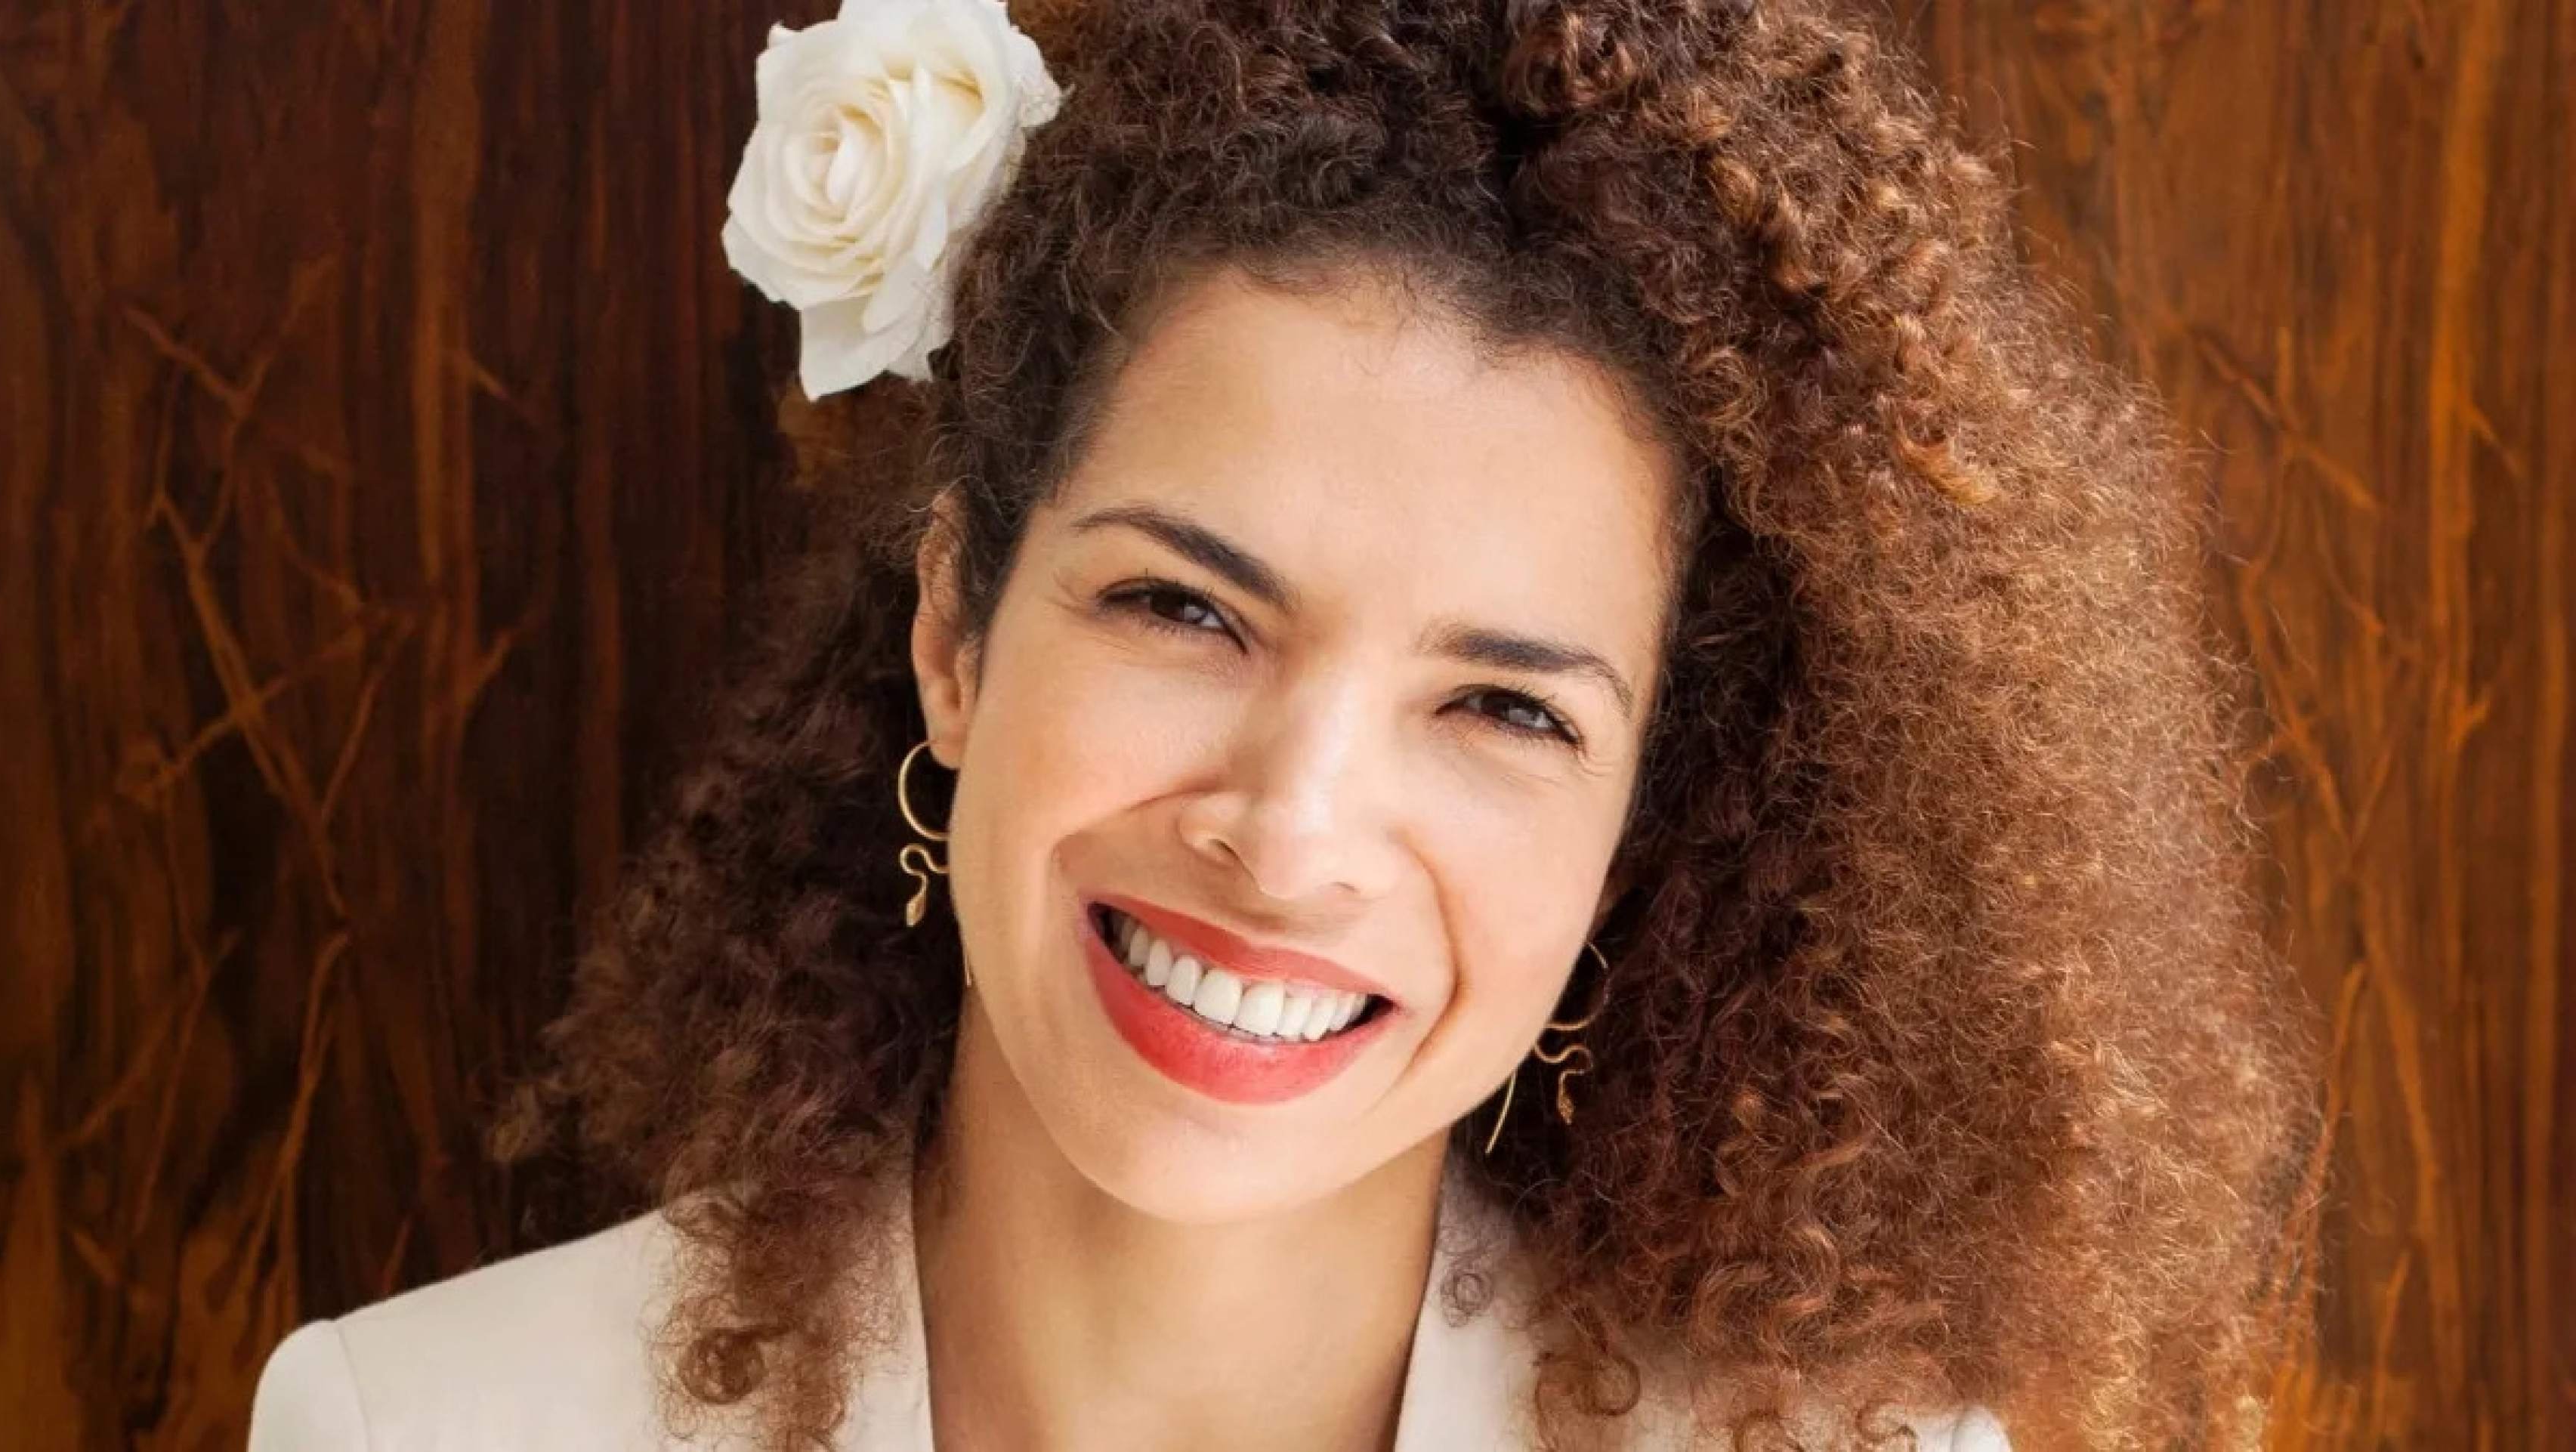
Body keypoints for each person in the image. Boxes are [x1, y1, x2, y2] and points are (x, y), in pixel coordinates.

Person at [247, 0, 2318, 1447]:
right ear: (957, 629)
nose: (1294, 827)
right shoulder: (412, 1428)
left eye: (1501, 705)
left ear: (1639, 822)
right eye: (1184, 608)